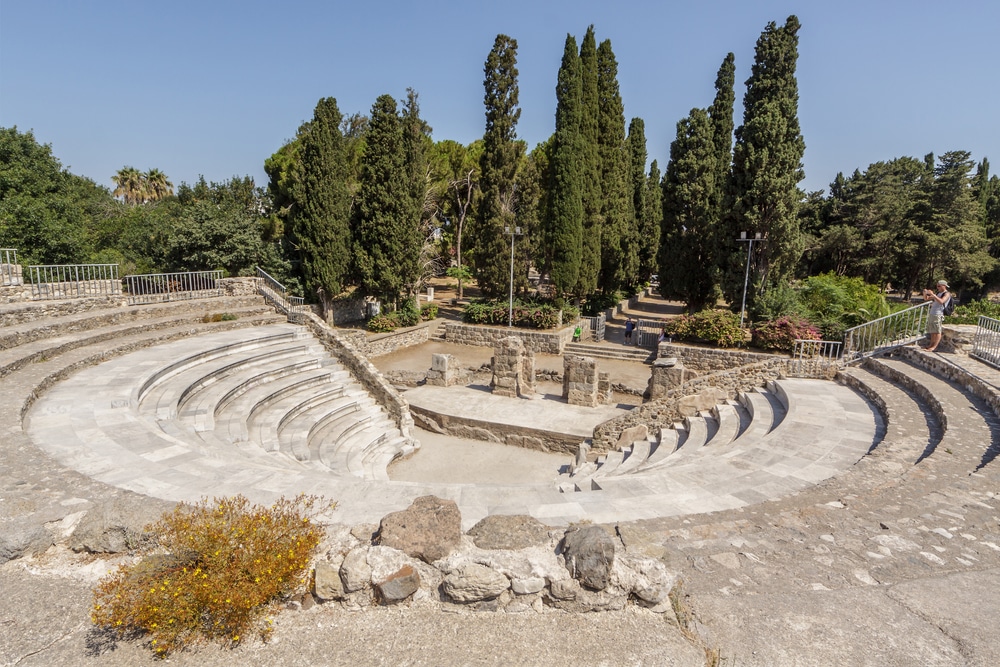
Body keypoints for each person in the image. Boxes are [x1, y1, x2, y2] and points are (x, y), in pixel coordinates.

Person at [922, 279, 951, 352]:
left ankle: (934, 347)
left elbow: (941, 301)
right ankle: (930, 345)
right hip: (932, 313)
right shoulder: (938, 293)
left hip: (938, 314)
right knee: (933, 331)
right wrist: (925, 293)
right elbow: (926, 299)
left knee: (937, 331)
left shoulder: (947, 294)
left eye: (939, 286)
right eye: (937, 286)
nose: (937, 288)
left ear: (944, 286)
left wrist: (934, 295)